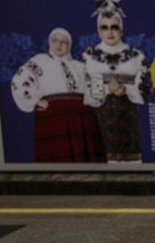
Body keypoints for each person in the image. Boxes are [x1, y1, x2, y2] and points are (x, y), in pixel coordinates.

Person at [9, 27, 105, 163]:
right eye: (55, 40)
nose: (59, 45)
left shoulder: (80, 66)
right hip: (53, 116)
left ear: (69, 45)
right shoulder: (39, 62)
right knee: (56, 156)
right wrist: (36, 100)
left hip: (82, 119)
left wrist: (93, 93)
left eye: (64, 42)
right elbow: (18, 81)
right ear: (49, 42)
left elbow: (97, 89)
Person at [82, 0, 148, 164]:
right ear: (98, 30)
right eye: (105, 27)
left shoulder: (136, 55)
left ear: (121, 29)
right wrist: (107, 90)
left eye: (114, 27)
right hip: (100, 122)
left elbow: (147, 89)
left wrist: (126, 90)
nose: (109, 32)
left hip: (129, 123)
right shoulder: (89, 56)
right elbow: (84, 92)